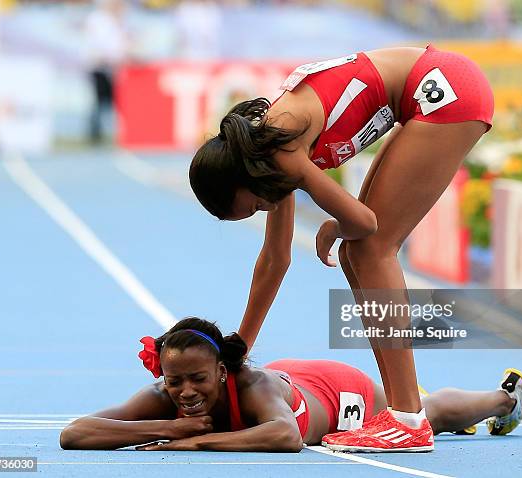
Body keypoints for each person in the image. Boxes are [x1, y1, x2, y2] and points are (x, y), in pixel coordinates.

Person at [188, 45, 494, 451]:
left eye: (257, 206)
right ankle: (404, 412)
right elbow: (275, 260)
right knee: (358, 251)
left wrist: (335, 224)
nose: (267, 208)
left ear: (242, 179)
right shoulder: (265, 161)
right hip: (424, 93)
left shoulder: (280, 149)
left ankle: (408, 418)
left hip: (444, 89)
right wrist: (239, 348)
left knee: (370, 247)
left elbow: (363, 223)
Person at [59, 318, 522, 452]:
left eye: (197, 379)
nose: (184, 392)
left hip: (336, 393)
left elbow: (285, 436)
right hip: (294, 380)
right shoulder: (168, 394)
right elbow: (75, 433)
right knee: (430, 407)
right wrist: (167, 429)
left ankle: (505, 399)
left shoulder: (254, 387)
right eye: (174, 380)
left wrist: (197, 441)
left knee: (428, 412)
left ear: (222, 371)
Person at [84, 0, 130, 143]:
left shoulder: (116, 19)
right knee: (100, 100)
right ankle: (94, 133)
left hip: (114, 67)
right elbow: (101, 44)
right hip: (100, 66)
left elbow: (120, 43)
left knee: (113, 101)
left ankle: (114, 132)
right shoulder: (98, 19)